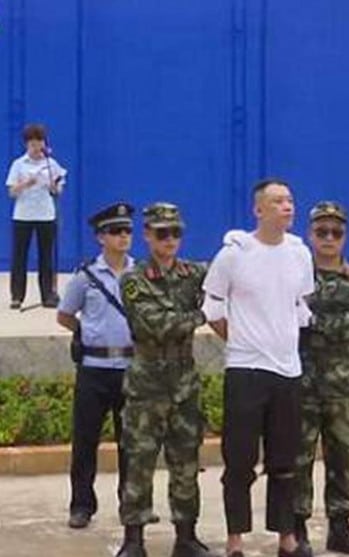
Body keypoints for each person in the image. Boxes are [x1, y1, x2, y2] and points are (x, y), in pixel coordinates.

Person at [202, 178, 314, 557]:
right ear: (258, 210)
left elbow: (301, 306)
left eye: (290, 200)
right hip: (246, 370)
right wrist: (240, 339)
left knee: (285, 460)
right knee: (240, 460)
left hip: (288, 371)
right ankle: (235, 538)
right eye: (278, 201)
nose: (287, 207)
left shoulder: (299, 253)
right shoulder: (234, 254)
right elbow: (212, 308)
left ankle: (285, 535)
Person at [115, 203, 214, 557]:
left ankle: (186, 537)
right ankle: (133, 540)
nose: (170, 240)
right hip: (147, 387)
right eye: (162, 233)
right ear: (147, 235)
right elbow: (154, 325)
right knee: (139, 464)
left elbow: (230, 282)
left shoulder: (194, 273)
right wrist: (201, 315)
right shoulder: (134, 279)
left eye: (175, 233)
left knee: (186, 464)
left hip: (184, 386)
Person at [293, 201, 349, 556]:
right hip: (302, 384)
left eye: (336, 232)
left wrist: (310, 320)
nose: (329, 238)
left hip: (342, 387)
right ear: (310, 235)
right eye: (322, 231)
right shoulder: (295, 276)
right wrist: (309, 321)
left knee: (343, 460)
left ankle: (340, 528)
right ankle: (296, 528)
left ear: (345, 236)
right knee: (298, 460)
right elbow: (286, 319)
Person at [57, 203, 136, 530]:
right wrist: (87, 332)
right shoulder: (86, 277)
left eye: (127, 230)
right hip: (94, 368)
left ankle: (131, 503)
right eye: (116, 231)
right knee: (86, 441)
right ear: (101, 237)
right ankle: (81, 505)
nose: (123, 237)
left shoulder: (141, 274)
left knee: (131, 443)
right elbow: (65, 315)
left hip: (130, 367)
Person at [5, 123, 67, 309]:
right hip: (23, 216)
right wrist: (26, 183)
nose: (37, 147)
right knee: (19, 256)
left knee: (46, 256)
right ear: (26, 144)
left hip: (45, 215)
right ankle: (17, 296)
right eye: (32, 143)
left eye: (40, 142)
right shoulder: (18, 164)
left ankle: (48, 295)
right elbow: (11, 192)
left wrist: (54, 187)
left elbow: (59, 190)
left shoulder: (51, 164)